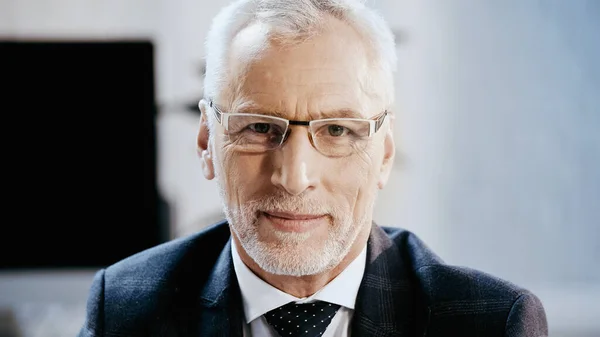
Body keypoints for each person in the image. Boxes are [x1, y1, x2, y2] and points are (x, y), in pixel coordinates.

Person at [78, 0, 548, 336]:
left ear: (384, 153)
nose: (294, 176)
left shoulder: (489, 323)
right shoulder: (125, 309)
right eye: (259, 127)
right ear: (207, 140)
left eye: (338, 130)